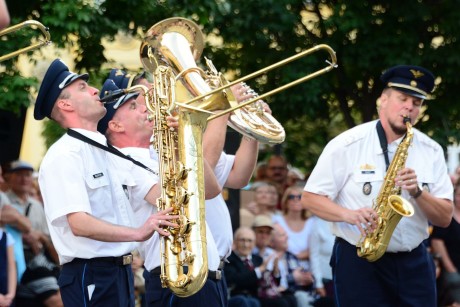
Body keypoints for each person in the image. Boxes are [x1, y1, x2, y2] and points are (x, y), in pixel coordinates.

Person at [302, 64, 454, 306]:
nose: (409, 107)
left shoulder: (431, 150)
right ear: (382, 100)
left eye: (416, 103)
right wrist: (349, 215)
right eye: (402, 99)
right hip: (359, 260)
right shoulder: (347, 144)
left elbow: (445, 218)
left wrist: (417, 192)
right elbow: (310, 198)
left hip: (413, 261)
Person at [33, 59, 177, 307]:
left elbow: (166, 196)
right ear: (65, 104)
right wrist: (138, 232)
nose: (94, 90)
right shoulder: (64, 155)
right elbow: (78, 223)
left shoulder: (108, 152)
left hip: (119, 272)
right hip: (91, 274)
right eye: (82, 88)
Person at [97, 72, 223, 307]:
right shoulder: (124, 162)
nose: (145, 109)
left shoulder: (153, 155)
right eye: (134, 107)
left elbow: (212, 190)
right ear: (115, 124)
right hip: (177, 273)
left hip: (204, 275)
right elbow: (173, 200)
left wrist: (187, 141)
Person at [4, 160, 62, 307]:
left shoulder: (37, 205)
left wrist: (38, 236)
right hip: (14, 258)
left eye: (28, 175)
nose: (24, 179)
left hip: (37, 258)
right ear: (9, 177)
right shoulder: (4, 200)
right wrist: (27, 234)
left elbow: (47, 237)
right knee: (56, 300)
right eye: (19, 175)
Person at [225, 226, 293, 307]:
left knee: (289, 299)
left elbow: (267, 283)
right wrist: (259, 270)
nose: (246, 245)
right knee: (247, 302)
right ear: (235, 242)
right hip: (237, 297)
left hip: (257, 296)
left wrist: (275, 273)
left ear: (254, 243)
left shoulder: (257, 259)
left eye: (249, 241)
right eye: (242, 240)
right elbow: (236, 280)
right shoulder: (229, 259)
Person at [431, 179, 460, 305]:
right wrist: (451, 269)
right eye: (459, 195)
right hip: (452, 269)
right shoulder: (447, 214)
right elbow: (437, 241)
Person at [273, 186, 314, 269]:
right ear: (285, 201)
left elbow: (316, 248)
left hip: (308, 270)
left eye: (300, 197)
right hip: (283, 267)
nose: (296, 199)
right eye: (291, 197)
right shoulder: (276, 220)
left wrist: (299, 256)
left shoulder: (312, 222)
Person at [0, 166, 16, 307]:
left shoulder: (5, 236)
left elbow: (12, 266)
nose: (1, 180)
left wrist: (10, 295)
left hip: (5, 295)